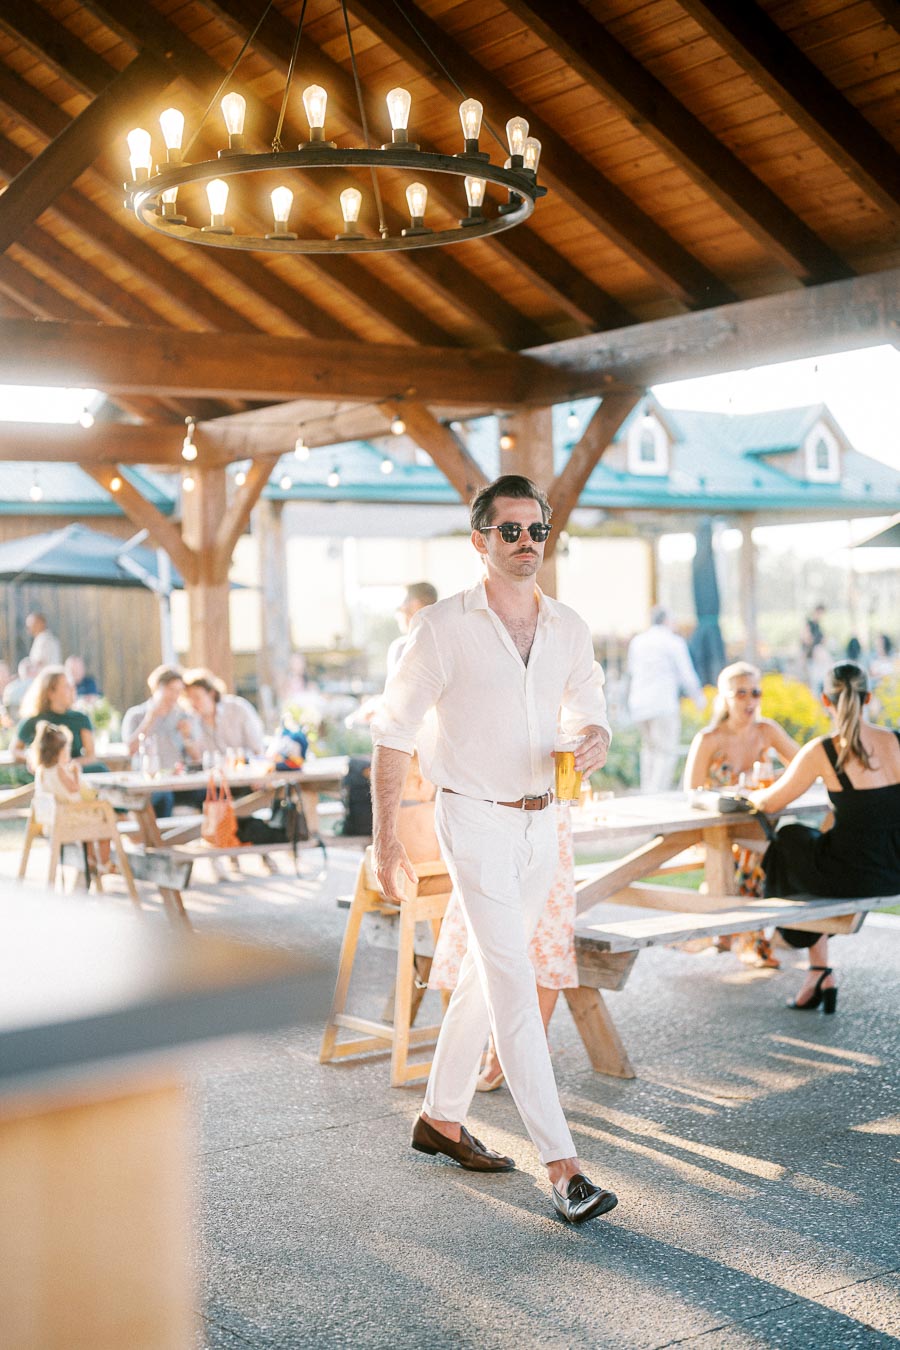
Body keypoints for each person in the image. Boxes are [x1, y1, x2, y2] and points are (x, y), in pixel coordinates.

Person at [372, 473, 618, 1225]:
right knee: (515, 981)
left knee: (487, 970)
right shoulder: (441, 627)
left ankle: (440, 1119)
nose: (524, 544)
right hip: (472, 818)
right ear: (479, 541)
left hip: (542, 824)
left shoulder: (569, 626)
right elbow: (390, 733)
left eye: (535, 531)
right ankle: (564, 1168)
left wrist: (597, 735)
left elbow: (591, 710)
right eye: (508, 531)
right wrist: (385, 839)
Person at [747, 662, 900, 1013]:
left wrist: (750, 796)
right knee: (818, 836)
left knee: (789, 839)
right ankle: (818, 973)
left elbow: (771, 803)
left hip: (856, 875)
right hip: (894, 868)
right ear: (869, 698)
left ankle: (795, 939)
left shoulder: (824, 750)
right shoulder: (897, 740)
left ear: (824, 701)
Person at [429, 800, 579, 1090]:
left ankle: (523, 1050)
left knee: (548, 931)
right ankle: (506, 1051)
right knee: (487, 936)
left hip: (547, 814)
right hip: (494, 814)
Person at [684, 662, 800, 967]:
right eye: (741, 693)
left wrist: (774, 780)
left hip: (759, 827)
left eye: (756, 692)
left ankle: (732, 929)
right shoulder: (709, 739)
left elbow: (804, 765)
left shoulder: (767, 730)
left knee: (767, 849)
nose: (750, 701)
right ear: (724, 697)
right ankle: (750, 940)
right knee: (756, 854)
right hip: (718, 831)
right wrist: (730, 795)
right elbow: (692, 791)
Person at [627, 605, 704, 792]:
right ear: (667, 620)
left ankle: (647, 792)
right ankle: (656, 796)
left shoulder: (638, 642)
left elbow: (631, 670)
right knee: (666, 752)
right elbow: (687, 675)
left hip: (638, 704)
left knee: (649, 749)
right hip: (662, 704)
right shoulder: (673, 642)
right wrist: (700, 700)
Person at [29, 720, 111, 870]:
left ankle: (91, 859)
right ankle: (105, 863)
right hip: (70, 818)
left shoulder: (41, 771)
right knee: (106, 821)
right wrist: (76, 774)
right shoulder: (60, 770)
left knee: (92, 824)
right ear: (59, 752)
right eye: (67, 749)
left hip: (53, 820)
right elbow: (74, 789)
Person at [122, 666, 201, 817]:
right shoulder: (136, 715)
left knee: (210, 793)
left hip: (179, 781)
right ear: (156, 688)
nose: (174, 696)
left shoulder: (184, 716)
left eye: (178, 691)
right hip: (149, 784)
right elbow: (130, 750)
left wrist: (187, 737)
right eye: (170, 690)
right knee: (163, 797)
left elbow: (197, 757)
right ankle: (160, 841)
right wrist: (150, 720)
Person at [14, 666, 99, 766]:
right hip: (43, 772)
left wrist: (66, 765)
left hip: (73, 770)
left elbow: (91, 756)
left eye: (72, 685)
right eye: (66, 686)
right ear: (50, 692)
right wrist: (33, 759)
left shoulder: (80, 718)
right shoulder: (32, 721)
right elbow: (15, 750)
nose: (73, 689)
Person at [182, 669, 265, 759]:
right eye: (189, 699)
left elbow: (257, 749)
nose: (193, 703)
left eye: (196, 697)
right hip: (214, 771)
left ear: (211, 694)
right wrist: (187, 737)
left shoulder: (237, 708)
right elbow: (198, 760)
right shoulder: (192, 721)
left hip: (246, 768)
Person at [387, 582, 439, 677]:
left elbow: (397, 691)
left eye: (400, 608)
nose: (397, 615)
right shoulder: (447, 642)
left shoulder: (402, 647)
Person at [2, 658, 38, 725]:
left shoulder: (9, 688)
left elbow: (5, 710)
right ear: (32, 671)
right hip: (34, 723)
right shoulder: (37, 687)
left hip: (13, 724)